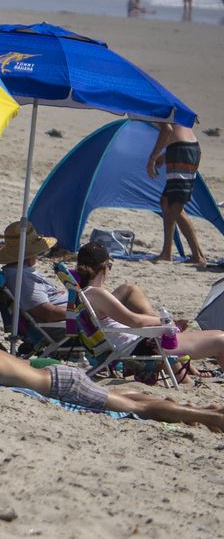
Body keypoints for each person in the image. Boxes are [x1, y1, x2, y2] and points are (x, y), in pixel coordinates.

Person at [0, 322, 224, 432]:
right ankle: (207, 411)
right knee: (132, 400)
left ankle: (203, 417)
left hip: (59, 385)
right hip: (55, 372)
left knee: (139, 409)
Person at [73, 242, 224, 362]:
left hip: (135, 341)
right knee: (221, 341)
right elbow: (135, 321)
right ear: (104, 268)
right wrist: (166, 321)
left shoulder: (82, 293)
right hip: (141, 345)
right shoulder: (97, 294)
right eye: (110, 266)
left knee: (219, 334)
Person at [149, 121, 208, 265]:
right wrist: (165, 155)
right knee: (166, 202)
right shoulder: (168, 105)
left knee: (175, 206)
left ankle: (198, 256)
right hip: (182, 149)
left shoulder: (156, 106)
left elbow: (167, 129)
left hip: (182, 150)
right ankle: (167, 252)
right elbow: (176, 130)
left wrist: (152, 158)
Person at [0, 220, 69, 324]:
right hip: (68, 324)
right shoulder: (21, 277)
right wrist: (80, 313)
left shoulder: (18, 271)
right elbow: (47, 313)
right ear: (29, 254)